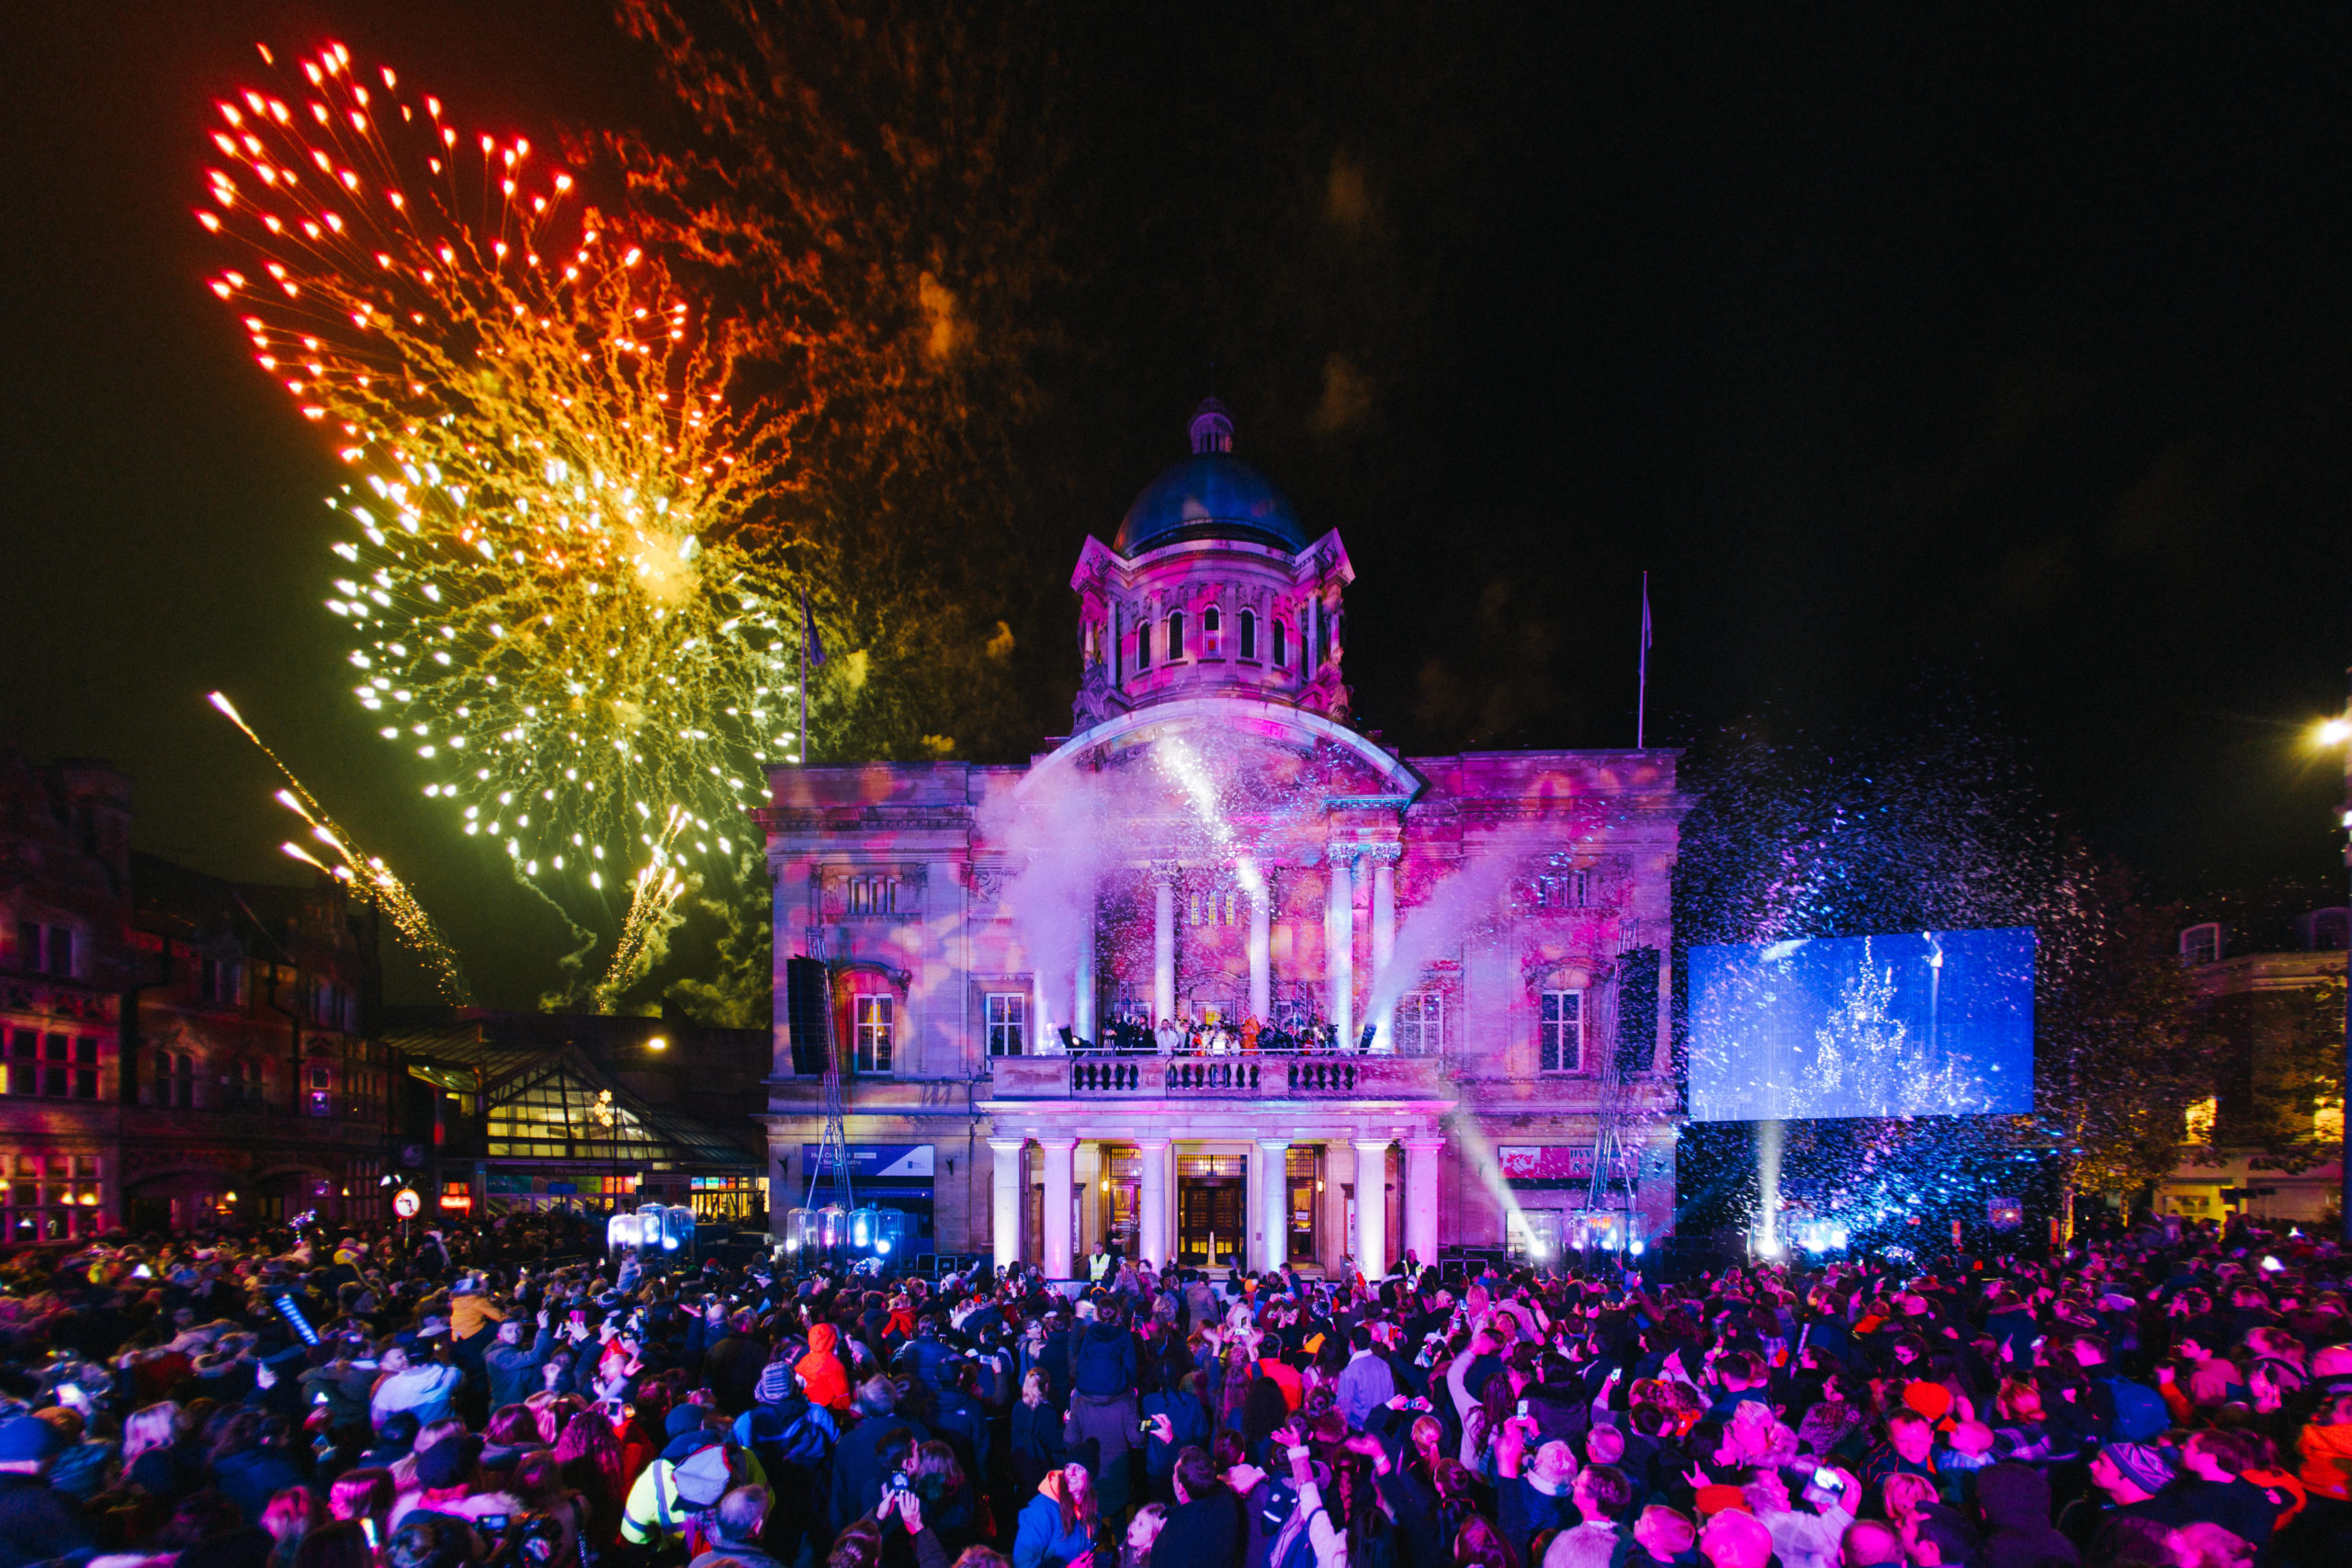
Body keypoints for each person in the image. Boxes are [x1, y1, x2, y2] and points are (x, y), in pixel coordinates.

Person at [1012, 1462, 1100, 1568]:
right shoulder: (1042, 1511)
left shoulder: (1089, 1510)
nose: (1071, 1473)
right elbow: (1023, 1564)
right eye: (1068, 1467)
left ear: (1090, 1477)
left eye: (1079, 1469)